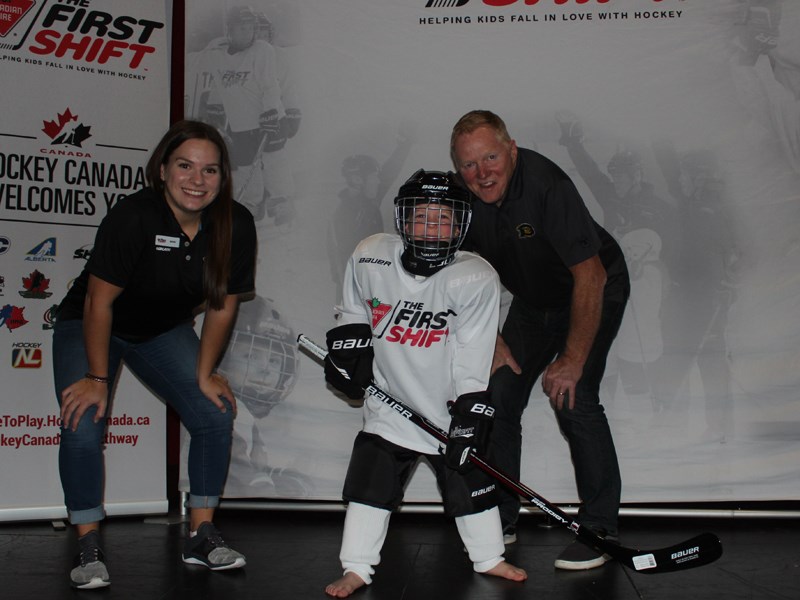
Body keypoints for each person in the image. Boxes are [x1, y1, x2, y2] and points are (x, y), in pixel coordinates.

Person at [52, 120, 257, 589]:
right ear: (162, 169)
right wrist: (97, 379)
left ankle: (200, 535)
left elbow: (222, 305)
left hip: (162, 331)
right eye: (185, 166)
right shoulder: (133, 216)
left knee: (214, 412)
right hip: (91, 324)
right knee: (83, 421)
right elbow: (99, 303)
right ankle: (88, 543)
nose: (196, 180)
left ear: (222, 178)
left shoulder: (235, 223)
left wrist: (205, 373)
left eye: (209, 170)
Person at [323, 170, 527, 597]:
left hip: (445, 409)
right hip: (389, 406)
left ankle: (489, 557)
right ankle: (357, 566)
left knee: (470, 484)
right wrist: (347, 353)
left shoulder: (476, 277)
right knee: (370, 484)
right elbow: (354, 311)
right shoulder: (369, 255)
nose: (432, 227)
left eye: (443, 218)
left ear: (461, 225)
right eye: (421, 216)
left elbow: (475, 352)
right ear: (402, 220)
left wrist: (471, 409)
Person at [450, 110, 630, 570]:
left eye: (491, 157)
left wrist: (571, 358)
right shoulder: (463, 204)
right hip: (534, 301)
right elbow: (460, 281)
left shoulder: (546, 183)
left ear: (511, 150)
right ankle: (503, 517)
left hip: (592, 288)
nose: (482, 173)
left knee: (574, 395)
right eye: (469, 164)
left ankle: (599, 527)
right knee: (500, 393)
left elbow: (588, 274)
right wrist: (489, 337)